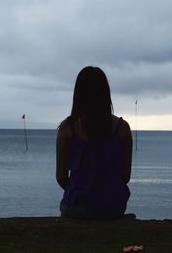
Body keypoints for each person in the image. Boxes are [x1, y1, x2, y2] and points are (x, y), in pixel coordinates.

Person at [56, 66, 132, 220]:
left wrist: (82, 190)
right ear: (106, 93)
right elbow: (125, 176)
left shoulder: (67, 128)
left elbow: (61, 177)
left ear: (78, 94)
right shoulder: (122, 128)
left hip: (76, 206)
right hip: (112, 207)